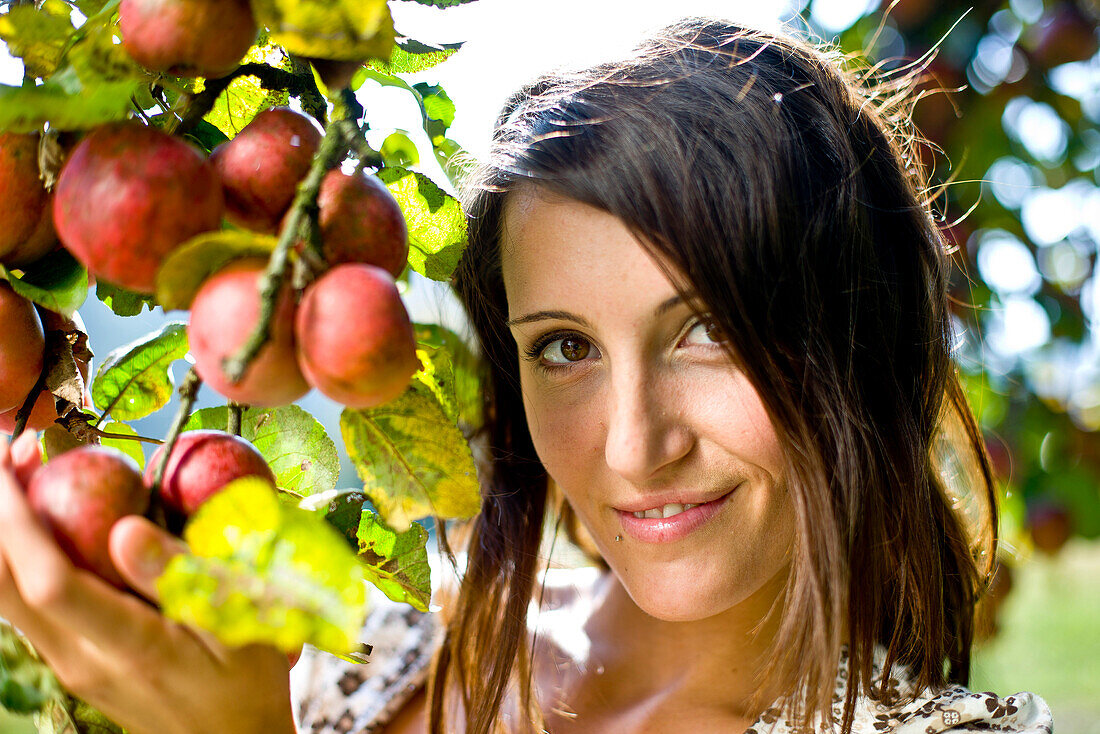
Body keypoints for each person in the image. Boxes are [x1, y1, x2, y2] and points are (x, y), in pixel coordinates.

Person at [0, 16, 1053, 734]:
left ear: (859, 337)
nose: (636, 445)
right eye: (564, 345)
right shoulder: (360, 643)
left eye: (709, 332)